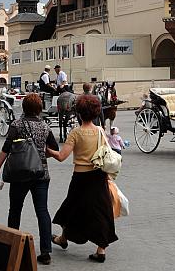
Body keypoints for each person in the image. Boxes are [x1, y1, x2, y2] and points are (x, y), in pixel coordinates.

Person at [47, 94, 117, 263]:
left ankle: (63, 238)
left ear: (78, 113)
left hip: (80, 177)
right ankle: (101, 249)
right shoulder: (100, 131)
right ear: (95, 113)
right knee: (101, 211)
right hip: (99, 175)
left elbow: (62, 156)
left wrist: (47, 150)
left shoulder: (76, 133)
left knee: (71, 207)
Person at [0, 93, 58, 265]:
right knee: (42, 211)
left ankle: (11, 245)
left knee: (15, 210)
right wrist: (40, 155)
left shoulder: (17, 124)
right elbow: (54, 148)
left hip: (19, 174)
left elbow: (6, 148)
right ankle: (45, 252)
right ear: (39, 108)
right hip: (41, 174)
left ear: (24, 107)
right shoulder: (45, 126)